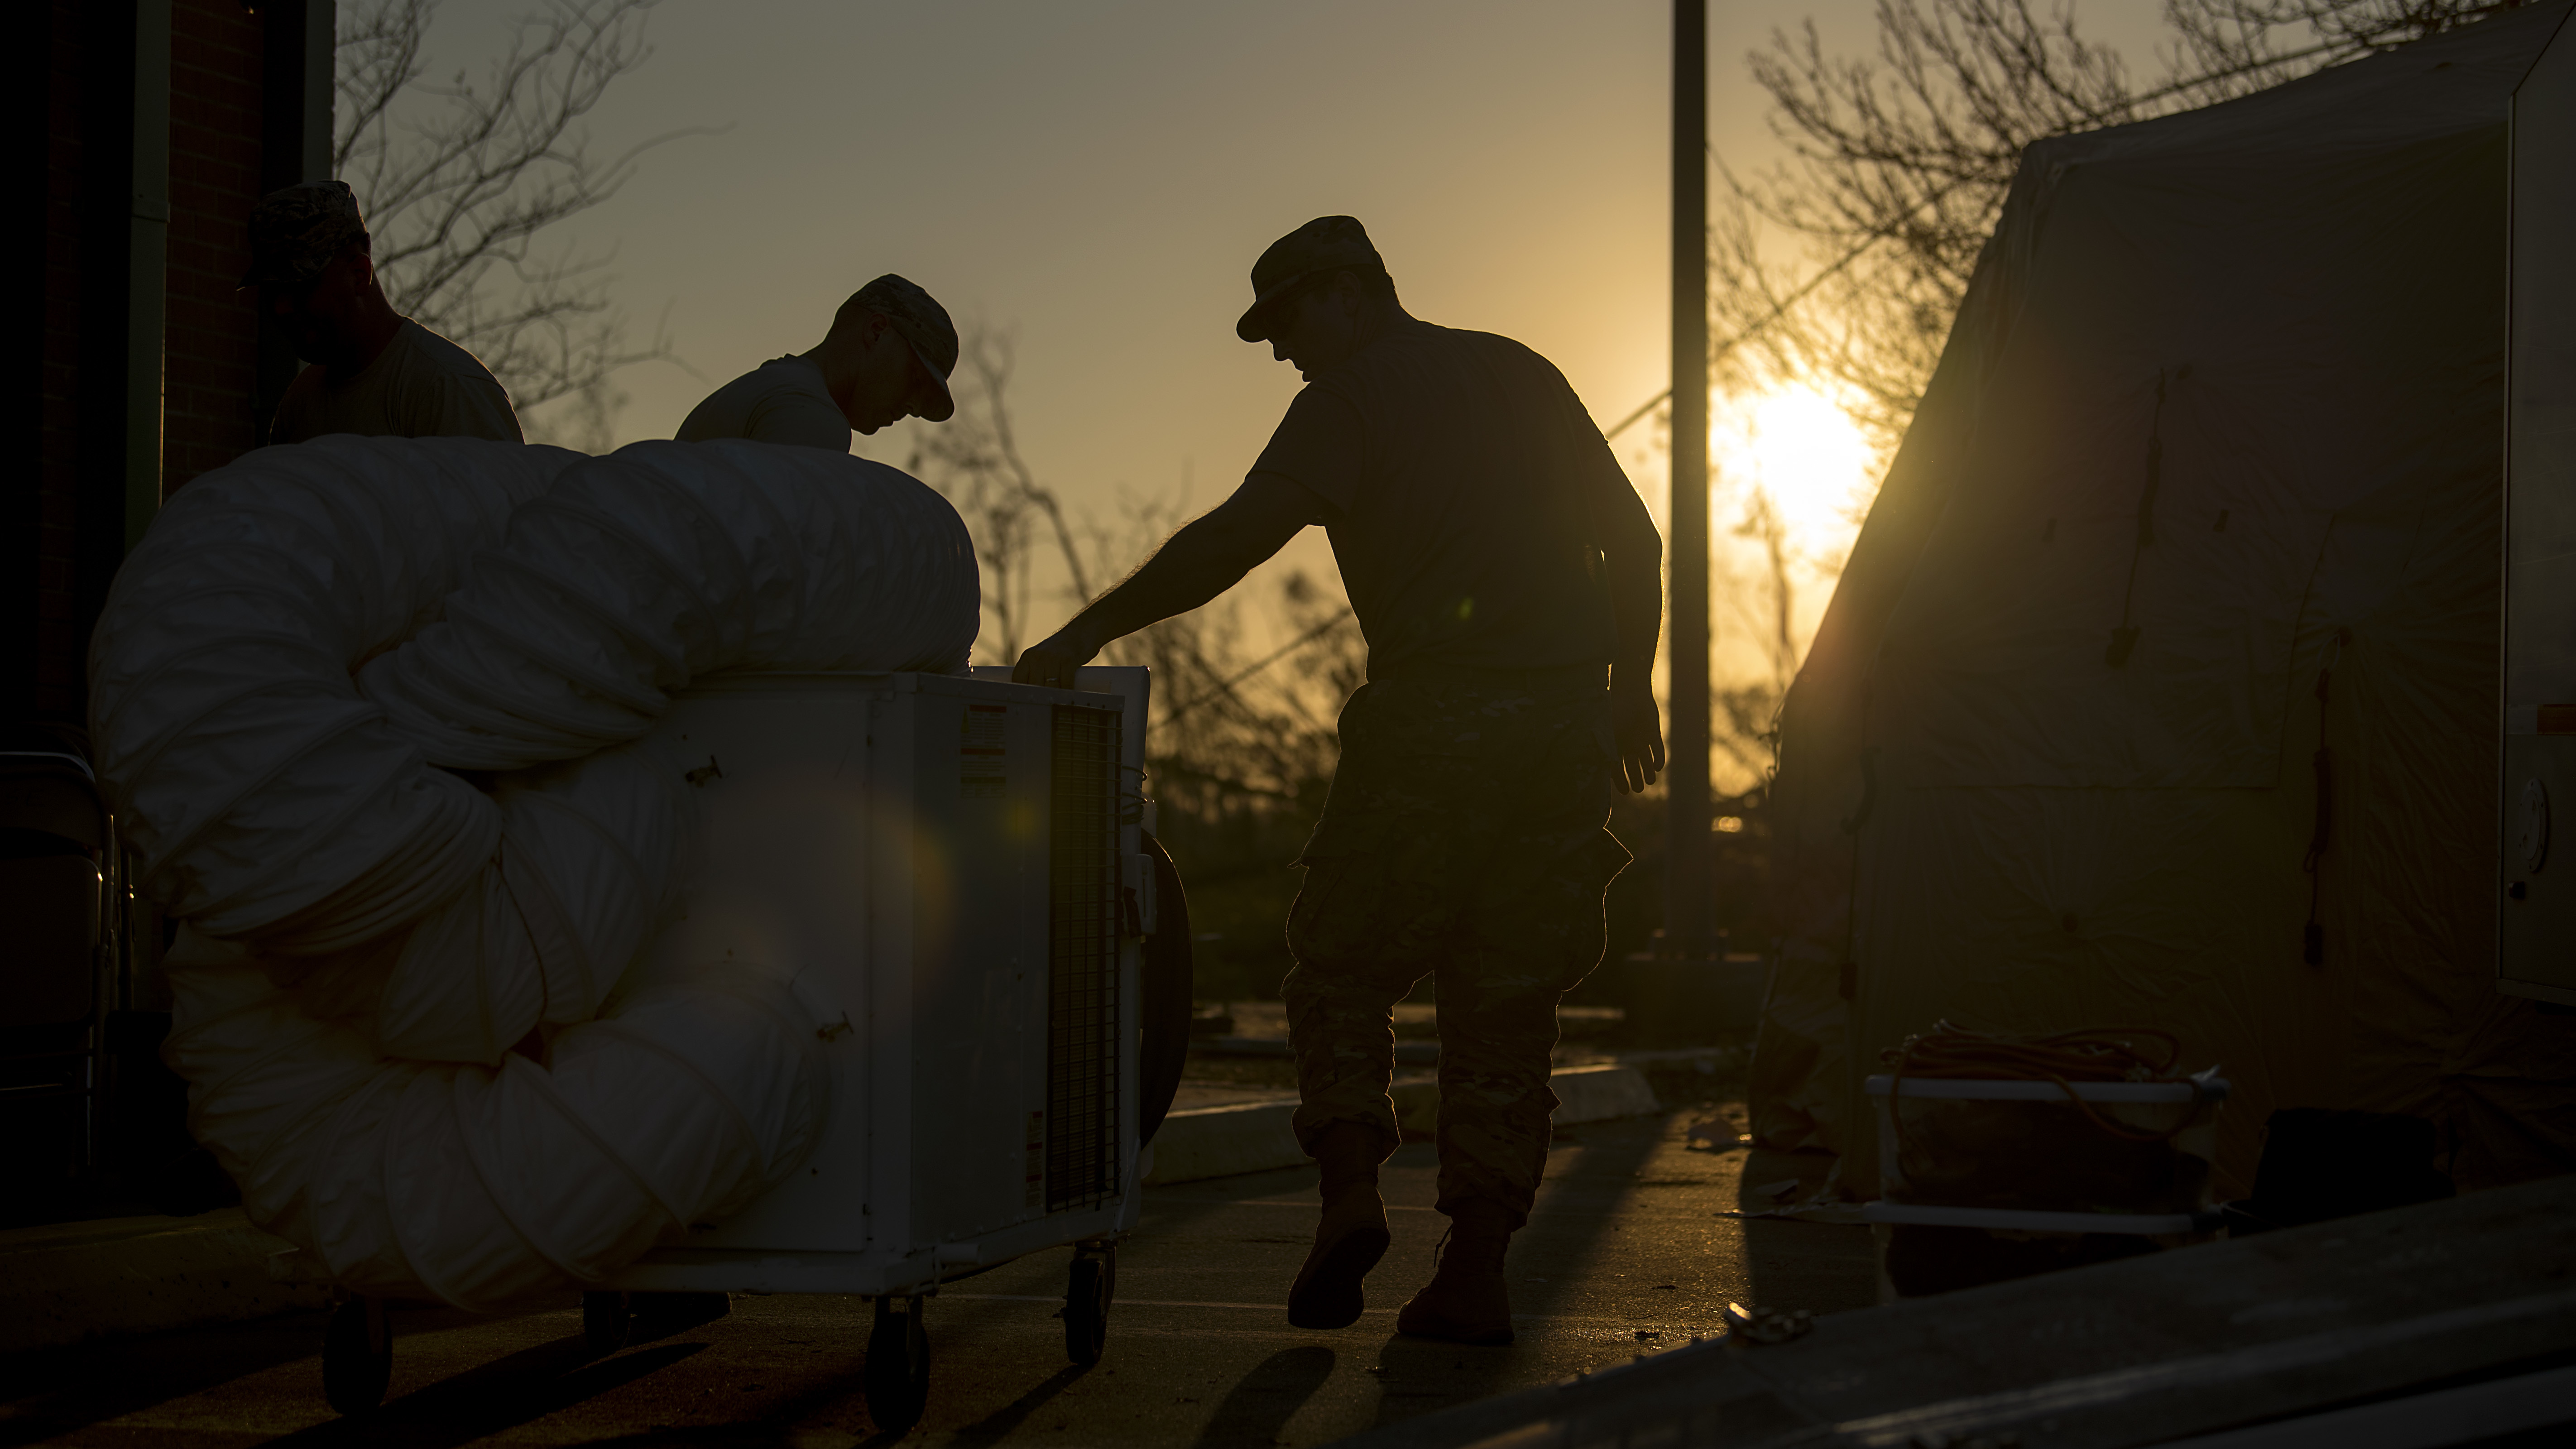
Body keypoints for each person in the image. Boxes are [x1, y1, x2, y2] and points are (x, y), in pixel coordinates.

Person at [1013, 216, 1665, 1346]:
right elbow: (1637, 540)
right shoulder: (1521, 371)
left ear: (1351, 294)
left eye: (1286, 323)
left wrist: (1086, 630)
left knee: (1337, 973)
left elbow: (1234, 541)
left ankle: (1352, 1192)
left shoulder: (1349, 400)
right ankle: (1473, 1271)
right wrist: (1629, 687)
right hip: (1565, 732)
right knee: (1505, 1005)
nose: (1280, 352)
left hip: (1435, 723)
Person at [244, 181, 523, 446]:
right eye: (272, 291)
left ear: (359, 273)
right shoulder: (299, 405)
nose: (282, 308)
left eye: (299, 286)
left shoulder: (447, 390)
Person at [675, 275, 959, 448]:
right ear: (876, 331)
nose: (914, 408)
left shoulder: (768, 387)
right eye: (916, 379)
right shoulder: (813, 415)